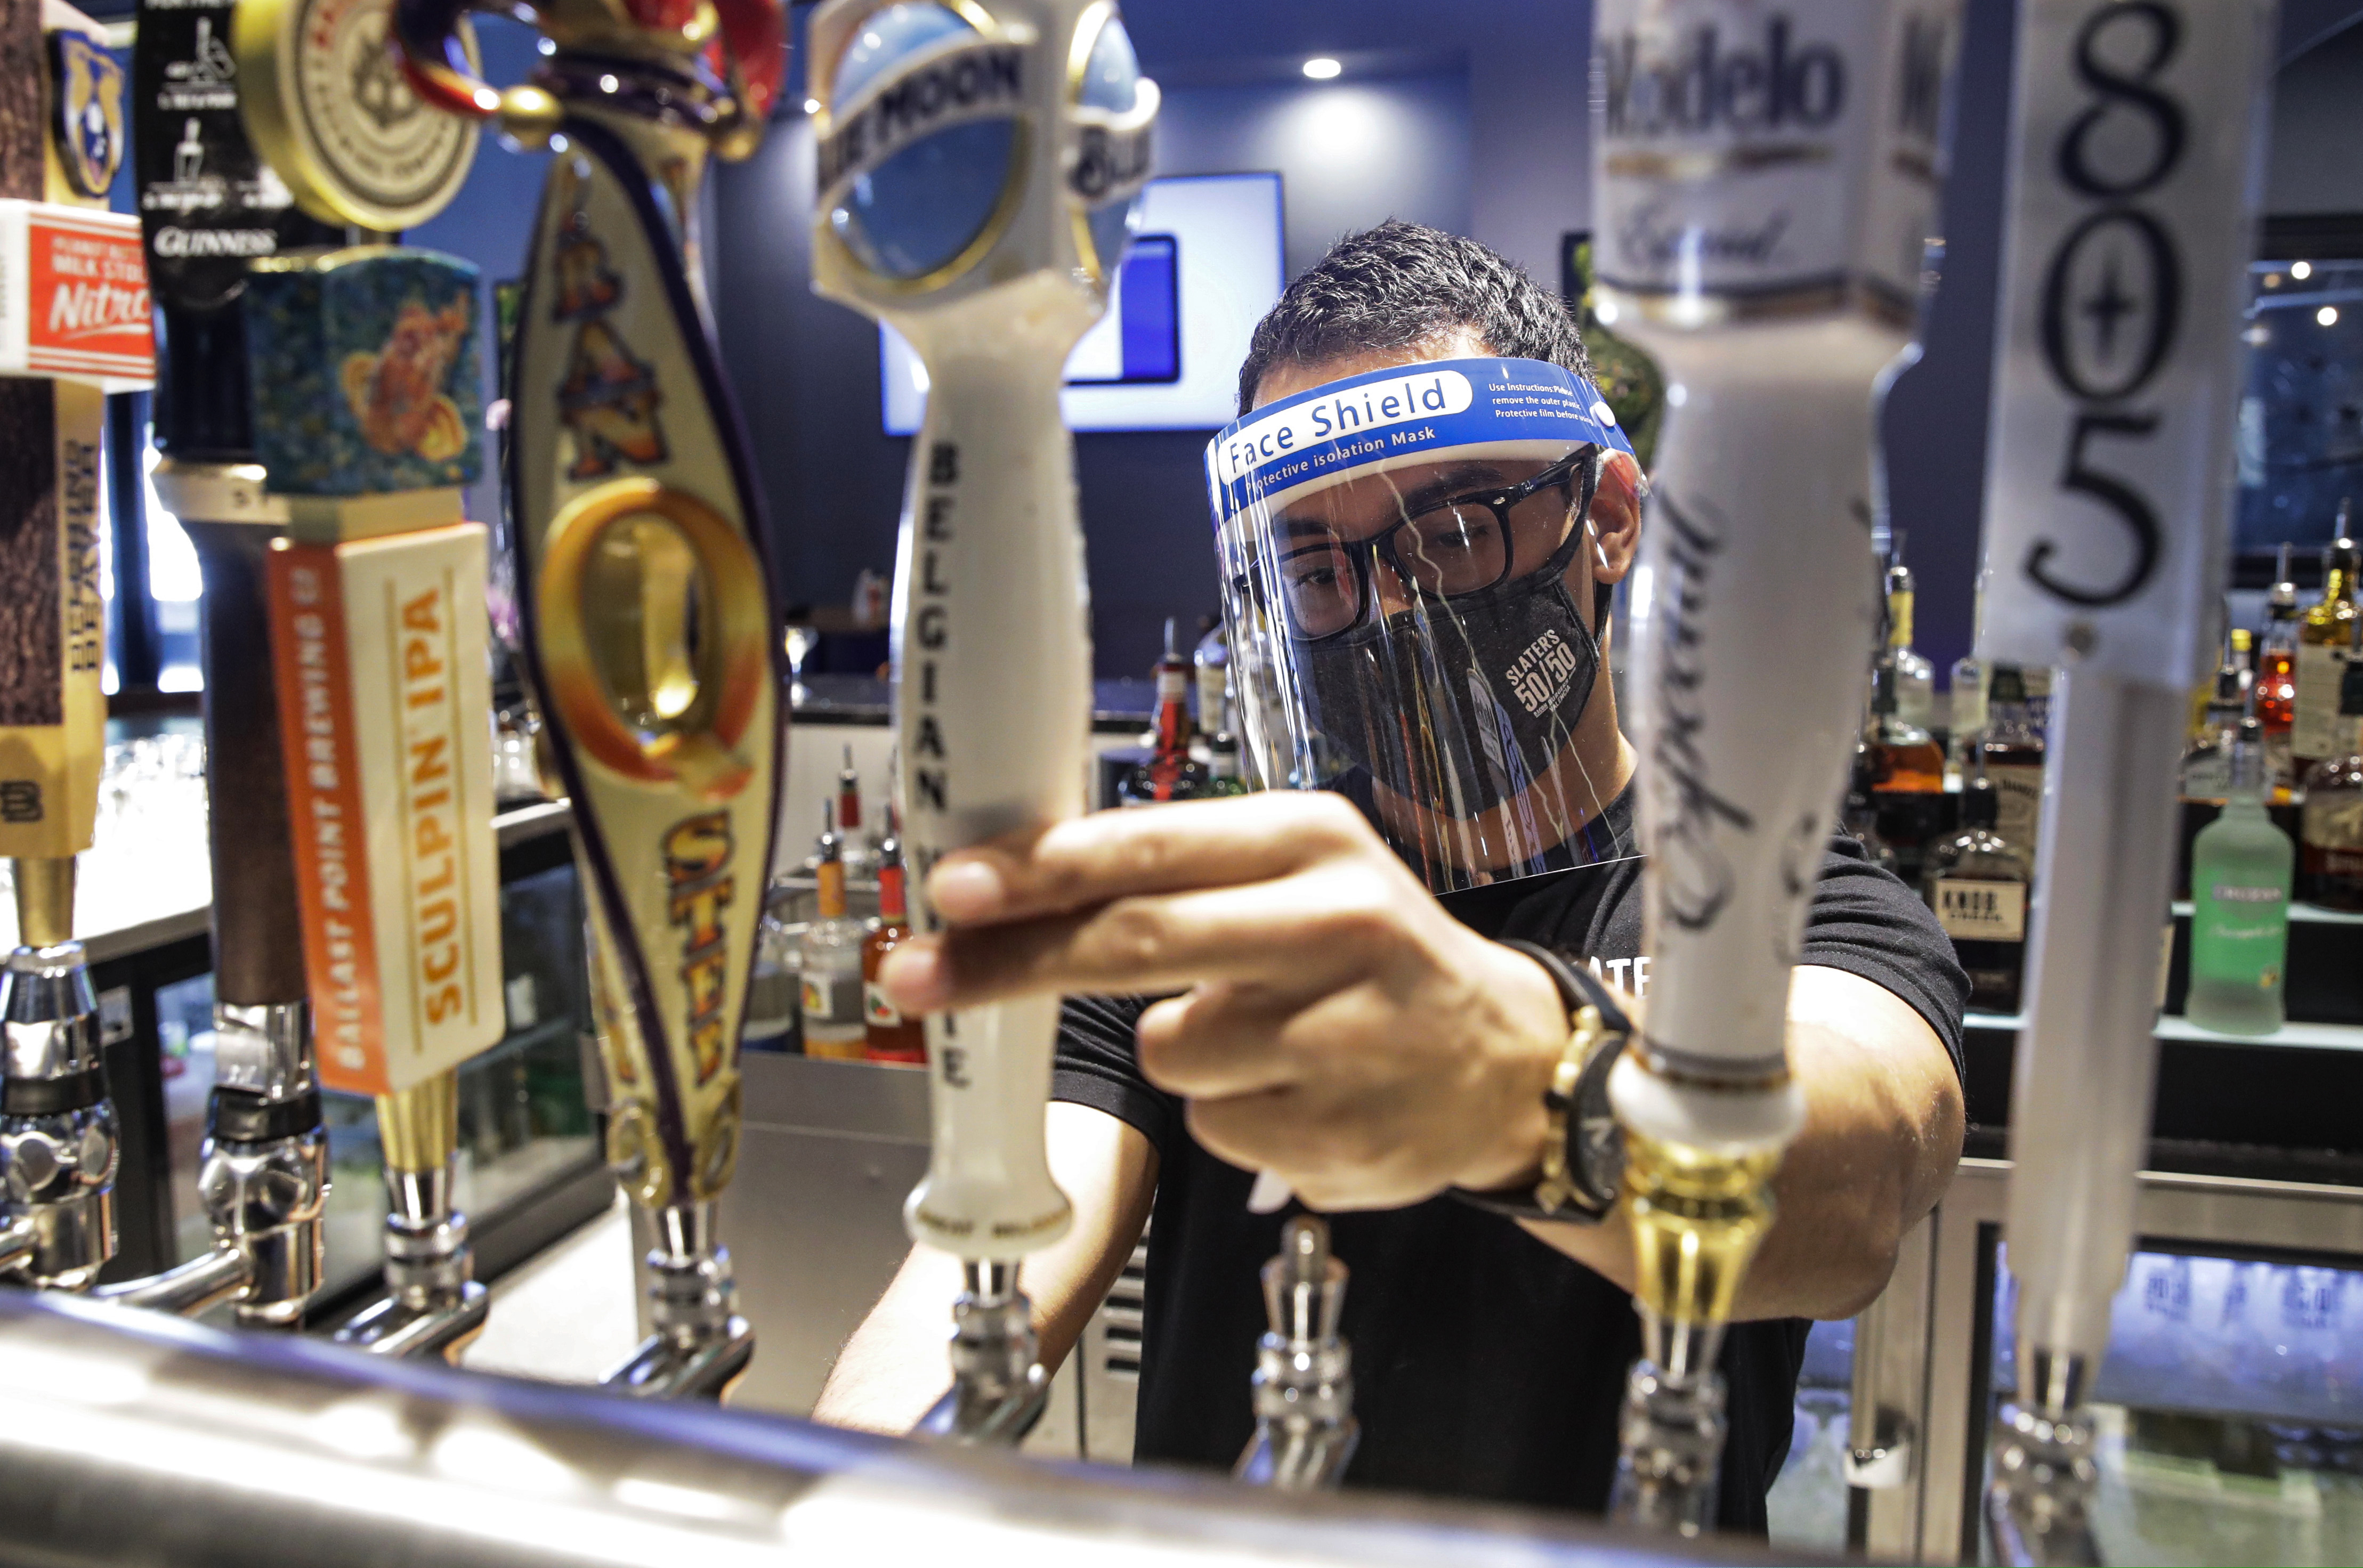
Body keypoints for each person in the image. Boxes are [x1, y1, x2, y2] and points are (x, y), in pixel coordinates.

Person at [813, 222, 1967, 1532]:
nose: (1392, 610)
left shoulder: (1787, 901)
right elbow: (979, 1277)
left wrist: (1526, 1088)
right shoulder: (1212, 911)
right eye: (1317, 567)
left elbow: (1854, 1187)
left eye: (1457, 531)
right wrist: (836, 1509)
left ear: (1604, 519)